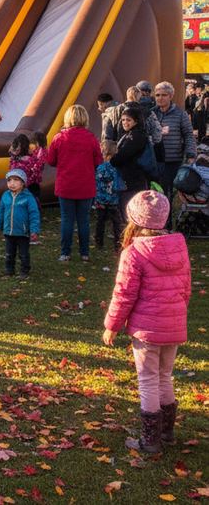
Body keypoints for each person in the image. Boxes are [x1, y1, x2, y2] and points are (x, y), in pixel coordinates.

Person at [102, 190, 191, 453]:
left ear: (134, 219)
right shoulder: (178, 246)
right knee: (165, 376)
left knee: (149, 380)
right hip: (173, 325)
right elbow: (185, 288)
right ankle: (166, 432)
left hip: (146, 331)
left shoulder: (134, 253)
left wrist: (112, 325)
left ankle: (150, 440)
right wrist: (176, 314)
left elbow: (123, 294)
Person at [46, 104, 102, 263]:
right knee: (83, 220)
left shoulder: (60, 138)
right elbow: (98, 161)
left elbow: (50, 160)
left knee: (67, 219)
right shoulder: (91, 138)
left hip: (66, 184)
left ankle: (65, 252)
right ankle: (84, 253)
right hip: (85, 184)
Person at [153, 81, 196, 202]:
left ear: (170, 96)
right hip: (154, 159)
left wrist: (190, 154)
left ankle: (168, 219)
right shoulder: (151, 113)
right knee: (155, 192)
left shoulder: (180, 114)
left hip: (172, 159)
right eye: (157, 95)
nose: (160, 98)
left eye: (163, 95)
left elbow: (188, 135)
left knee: (167, 193)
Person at [0, 168, 40, 279]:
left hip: (22, 232)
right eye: (9, 180)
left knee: (23, 254)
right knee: (9, 253)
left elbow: (34, 214)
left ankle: (24, 271)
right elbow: (0, 211)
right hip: (9, 231)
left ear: (23, 183)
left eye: (16, 180)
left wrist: (34, 230)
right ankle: (9, 271)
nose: (12, 183)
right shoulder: (5, 196)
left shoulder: (28, 198)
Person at [110, 106, 151, 219]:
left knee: (130, 208)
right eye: (123, 120)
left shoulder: (136, 136)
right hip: (129, 177)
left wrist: (112, 160)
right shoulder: (129, 134)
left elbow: (124, 154)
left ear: (136, 121)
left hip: (134, 178)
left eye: (128, 120)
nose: (125, 122)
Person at [95, 140, 125, 253]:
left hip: (101, 199)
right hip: (114, 200)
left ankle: (99, 242)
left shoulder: (100, 168)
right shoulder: (117, 167)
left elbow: (97, 181)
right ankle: (118, 244)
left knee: (100, 221)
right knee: (116, 222)